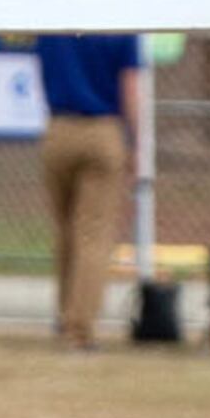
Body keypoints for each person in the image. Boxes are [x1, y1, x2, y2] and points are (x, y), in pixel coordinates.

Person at [31, 30, 138, 349]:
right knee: (93, 234)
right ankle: (80, 329)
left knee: (65, 232)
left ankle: (64, 315)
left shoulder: (54, 26)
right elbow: (130, 85)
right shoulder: (121, 27)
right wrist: (137, 142)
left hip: (59, 127)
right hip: (103, 129)